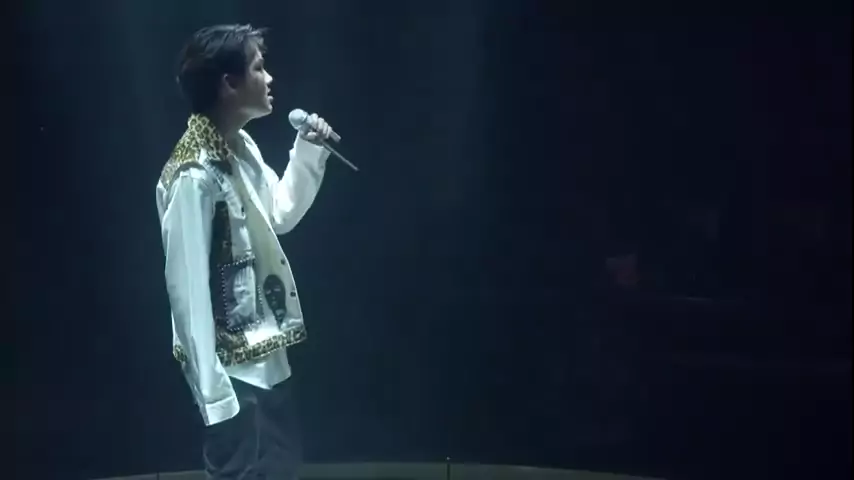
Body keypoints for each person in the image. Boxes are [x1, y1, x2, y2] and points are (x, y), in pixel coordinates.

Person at [155, 24, 334, 479]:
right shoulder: (193, 174)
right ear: (228, 84)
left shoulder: (241, 146)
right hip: (233, 380)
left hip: (269, 361)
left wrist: (308, 150)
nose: (269, 78)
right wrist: (215, 399)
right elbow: (188, 295)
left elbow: (278, 214)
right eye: (258, 68)